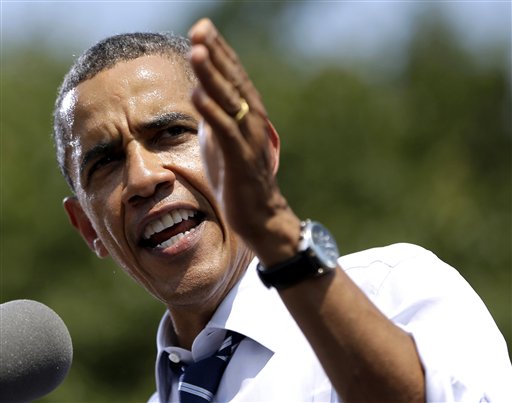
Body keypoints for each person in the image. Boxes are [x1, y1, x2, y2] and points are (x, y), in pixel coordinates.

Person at [53, 18, 511, 402]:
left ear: (261, 154)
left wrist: (278, 235)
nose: (143, 178)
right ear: (87, 228)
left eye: (171, 133)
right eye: (106, 162)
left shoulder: (392, 292)